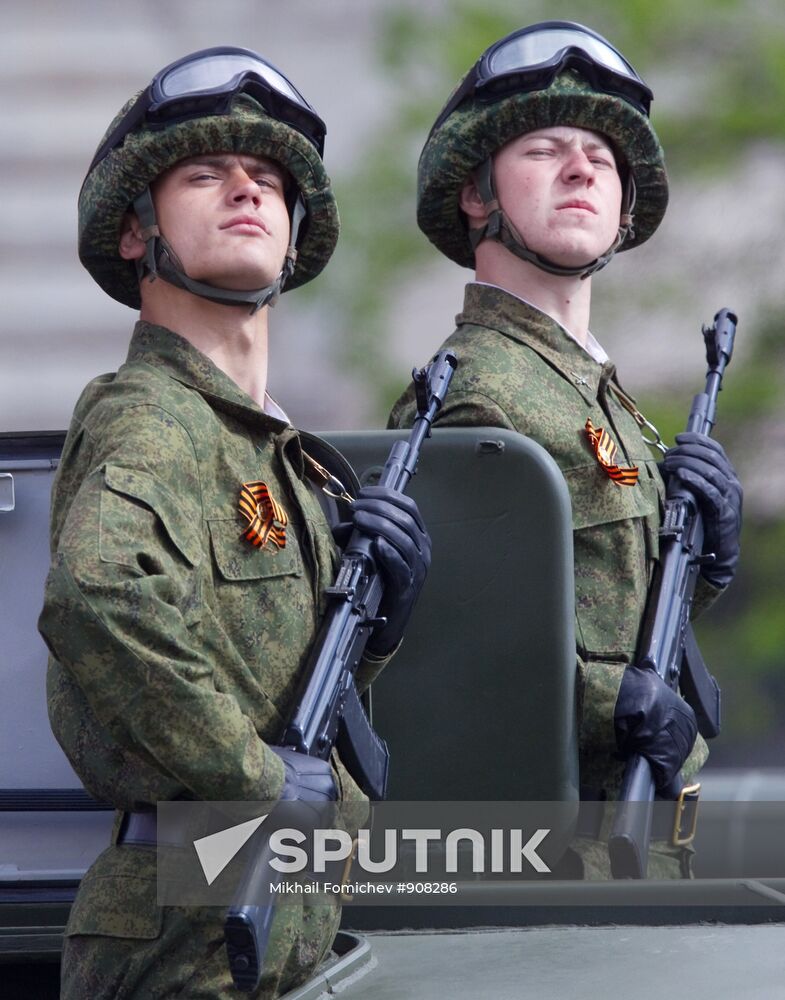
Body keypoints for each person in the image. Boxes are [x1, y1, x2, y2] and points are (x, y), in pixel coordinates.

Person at [38, 47, 430, 999]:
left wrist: (371, 632)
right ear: (138, 234)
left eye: (267, 181)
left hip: (267, 917)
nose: (246, 192)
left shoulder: (266, 448)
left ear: (293, 237)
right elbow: (96, 595)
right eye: (205, 176)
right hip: (185, 924)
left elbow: (269, 681)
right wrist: (252, 776)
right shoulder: (155, 415)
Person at [389, 21, 742, 878]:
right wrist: (608, 702)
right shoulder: (473, 392)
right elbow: (444, 649)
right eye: (545, 149)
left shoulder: (591, 394)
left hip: (635, 853)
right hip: (545, 860)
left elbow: (599, 615)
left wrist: (704, 564)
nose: (583, 167)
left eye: (600, 156)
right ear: (477, 196)